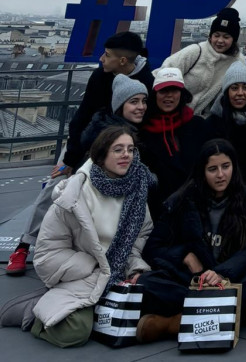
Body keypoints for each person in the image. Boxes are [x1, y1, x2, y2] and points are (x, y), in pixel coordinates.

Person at [6, 75, 152, 275]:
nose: (141, 106)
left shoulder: (138, 123)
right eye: (134, 102)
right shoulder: (99, 122)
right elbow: (79, 124)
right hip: (80, 159)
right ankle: (24, 245)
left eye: (144, 101)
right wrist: (69, 162)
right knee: (54, 188)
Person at [30, 126, 154, 347]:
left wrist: (134, 268)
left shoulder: (137, 190)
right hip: (83, 277)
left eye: (130, 149)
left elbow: (139, 238)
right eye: (118, 150)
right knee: (75, 333)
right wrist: (95, 267)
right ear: (101, 155)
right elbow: (46, 254)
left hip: (119, 274)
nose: (126, 155)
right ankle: (33, 317)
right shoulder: (74, 195)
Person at [138, 139, 246, 341]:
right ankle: (219, 318)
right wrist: (185, 256)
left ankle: (174, 324)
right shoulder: (182, 200)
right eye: (212, 169)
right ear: (202, 171)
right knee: (147, 282)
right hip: (192, 280)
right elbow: (152, 249)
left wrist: (220, 273)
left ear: (234, 166)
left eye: (226, 166)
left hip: (227, 280)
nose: (221, 175)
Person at [54, 31, 153, 180]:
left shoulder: (147, 81)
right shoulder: (100, 76)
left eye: (107, 55)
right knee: (56, 179)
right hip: (86, 140)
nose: (101, 58)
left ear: (122, 61)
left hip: (123, 149)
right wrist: (70, 159)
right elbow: (83, 116)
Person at [139, 68, 211, 220]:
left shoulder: (198, 126)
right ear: (154, 94)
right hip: (157, 211)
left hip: (196, 207)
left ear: (182, 94)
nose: (169, 96)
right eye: (163, 91)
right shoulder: (142, 132)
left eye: (174, 90)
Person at [160, 7, 246, 118]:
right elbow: (165, 72)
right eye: (216, 35)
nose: (220, 41)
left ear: (233, 40)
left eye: (226, 37)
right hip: (176, 114)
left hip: (211, 121)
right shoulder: (196, 51)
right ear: (210, 36)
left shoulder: (238, 61)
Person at [208, 62, 246, 179]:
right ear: (226, 91)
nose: (240, 93)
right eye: (234, 88)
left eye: (245, 88)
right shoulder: (213, 123)